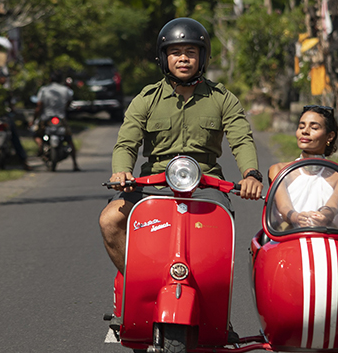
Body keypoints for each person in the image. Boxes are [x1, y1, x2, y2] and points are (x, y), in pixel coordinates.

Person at [99, 17, 264, 273]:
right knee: (110, 220)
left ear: (203, 57)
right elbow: (126, 143)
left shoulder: (222, 99)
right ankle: (137, 281)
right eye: (175, 53)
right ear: (164, 58)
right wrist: (121, 171)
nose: (183, 59)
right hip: (153, 185)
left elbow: (241, 139)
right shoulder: (146, 99)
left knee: (220, 240)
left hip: (206, 185)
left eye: (191, 52)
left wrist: (251, 174)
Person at [268, 105, 338, 229]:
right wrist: (295, 217)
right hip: (286, 238)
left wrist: (324, 216)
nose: (305, 131)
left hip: (327, 239)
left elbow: (333, 207)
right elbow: (284, 207)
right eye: (301, 126)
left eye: (314, 127)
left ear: (330, 136)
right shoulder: (279, 170)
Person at [33, 71, 79, 172]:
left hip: (46, 119)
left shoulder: (44, 90)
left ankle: (40, 147)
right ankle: (75, 163)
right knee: (69, 139)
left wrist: (34, 118)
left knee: (36, 134)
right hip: (61, 119)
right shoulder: (66, 90)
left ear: (50, 79)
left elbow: (39, 106)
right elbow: (69, 102)